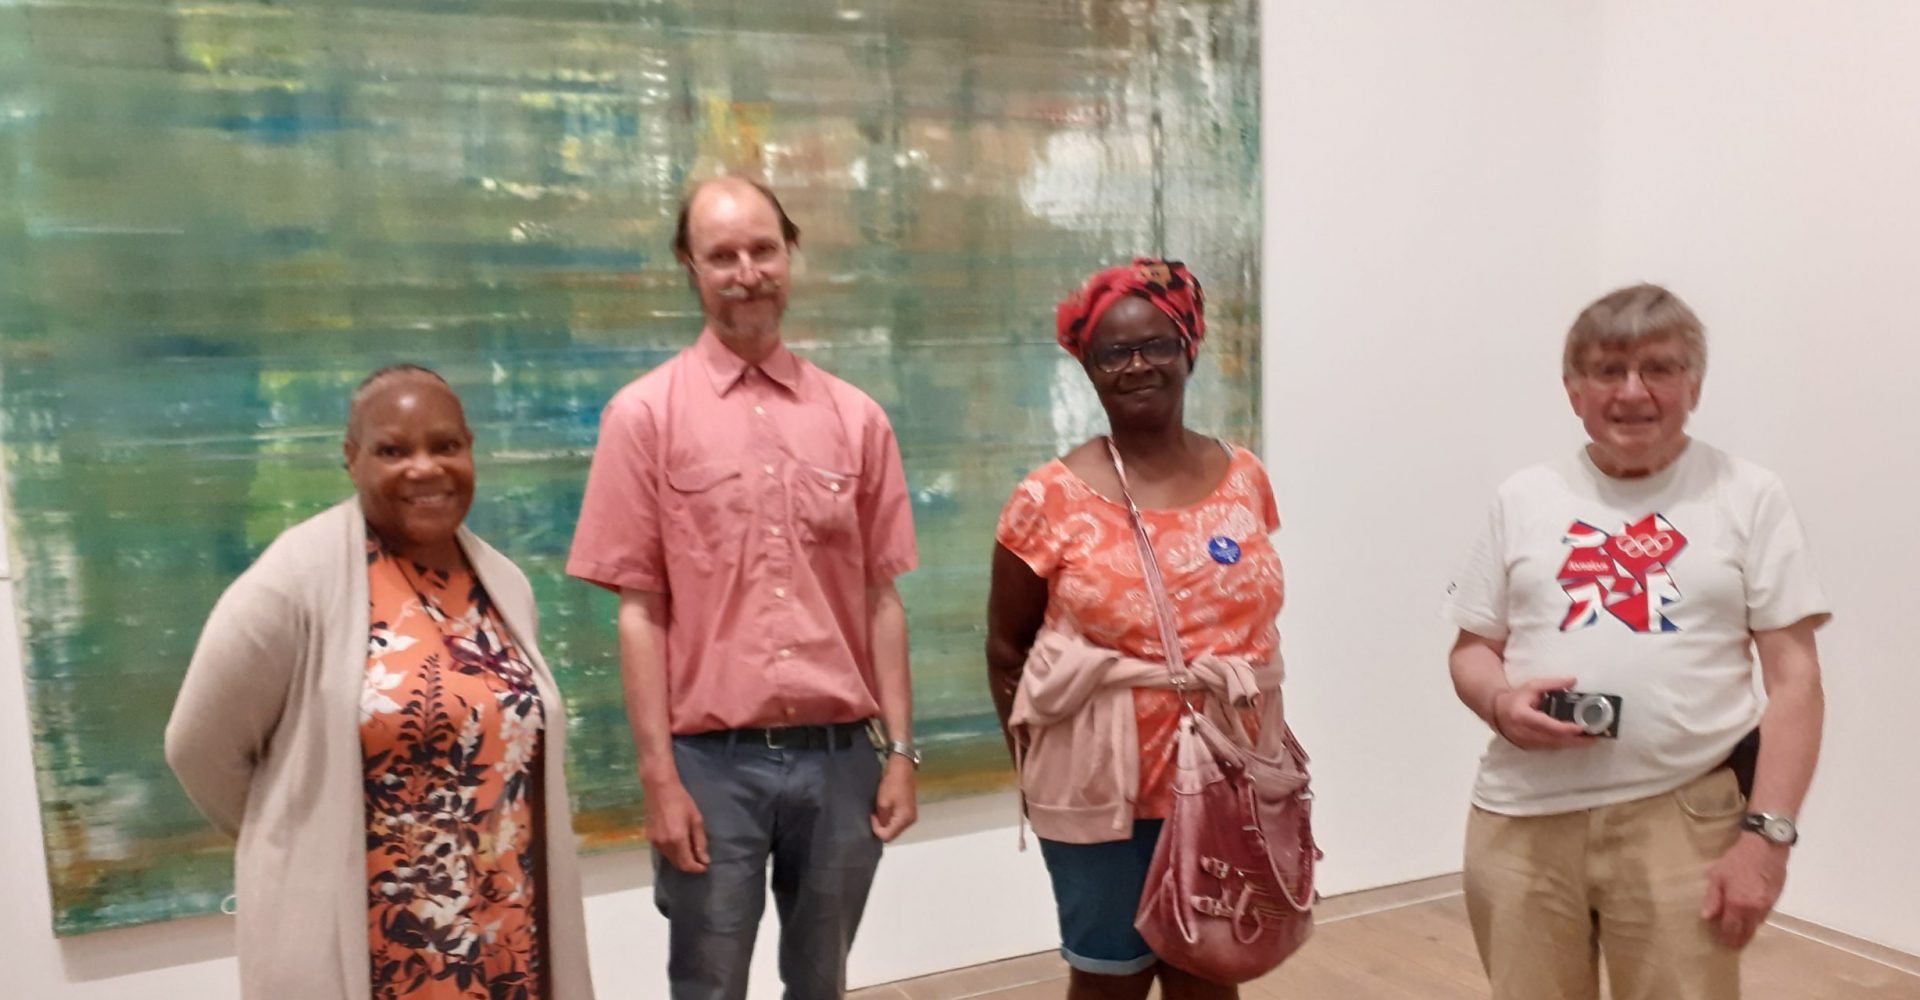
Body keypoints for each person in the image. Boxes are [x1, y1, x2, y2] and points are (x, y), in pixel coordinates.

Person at [566, 177, 920, 1000]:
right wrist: (658, 778)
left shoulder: (857, 419)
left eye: (763, 249)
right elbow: (639, 612)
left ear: (789, 252)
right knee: (708, 983)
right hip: (708, 768)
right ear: (690, 265)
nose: (747, 270)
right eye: (722, 254)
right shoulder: (643, 417)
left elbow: (879, 598)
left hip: (839, 763)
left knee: (821, 983)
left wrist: (900, 754)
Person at [1445, 284, 1829, 1000]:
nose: (1632, 392)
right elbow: (1471, 651)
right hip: (1521, 821)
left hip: (1683, 819)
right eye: (1606, 371)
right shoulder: (1523, 497)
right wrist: (1499, 704)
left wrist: (1766, 841)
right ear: (1572, 390)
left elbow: (1796, 680)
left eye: (1658, 368)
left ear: (1694, 384)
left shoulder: (1749, 496)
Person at [166, 365, 595, 1000]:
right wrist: (304, 837)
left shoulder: (505, 584)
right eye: (393, 450)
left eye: (444, 445)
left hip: (506, 943)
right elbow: (198, 748)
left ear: (470, 448)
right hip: (378, 956)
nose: (424, 468)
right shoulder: (294, 578)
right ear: (351, 457)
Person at [985, 259, 1287, 1000]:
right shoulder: (1047, 498)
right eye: (1114, 352)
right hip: (1101, 783)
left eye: (1156, 343)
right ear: (1088, 368)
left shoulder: (1244, 475)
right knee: (1109, 981)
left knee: (1214, 970)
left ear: (1190, 346)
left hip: (1228, 772)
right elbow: (1006, 649)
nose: (1139, 364)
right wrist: (1029, 768)